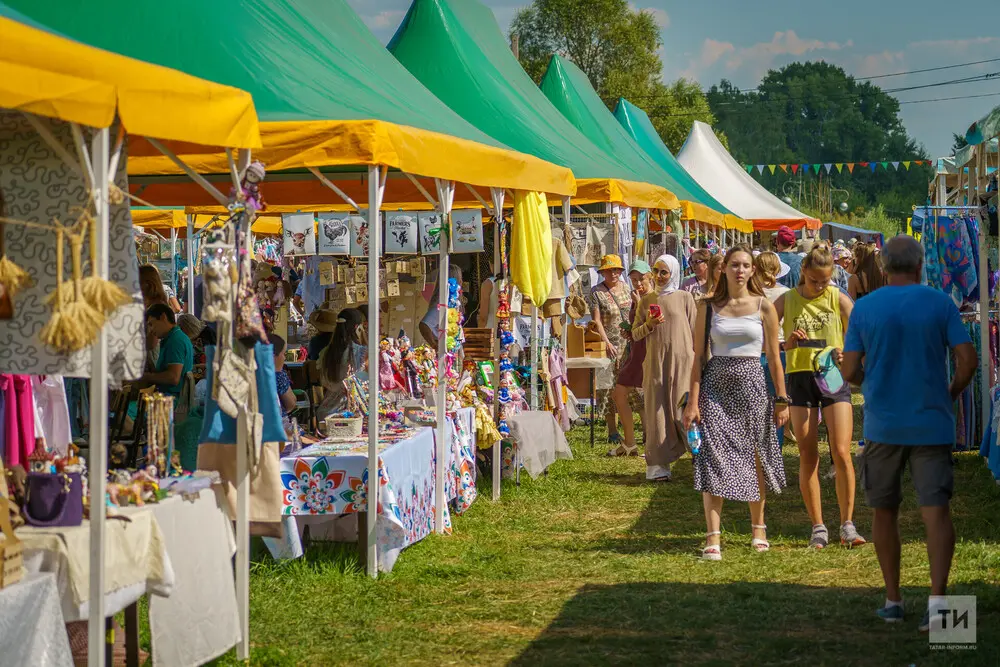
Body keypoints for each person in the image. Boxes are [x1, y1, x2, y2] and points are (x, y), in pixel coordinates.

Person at [840, 235, 976, 630]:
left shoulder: (864, 308)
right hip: (932, 422)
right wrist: (949, 393)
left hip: (884, 424)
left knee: (885, 511)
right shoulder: (938, 303)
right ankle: (940, 607)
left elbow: (848, 371)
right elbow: (967, 360)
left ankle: (893, 600)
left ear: (883, 268)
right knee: (936, 511)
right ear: (920, 267)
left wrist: (873, 383)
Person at [683, 245, 789, 560]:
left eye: (745, 265)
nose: (740, 270)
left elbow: (773, 358)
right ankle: (712, 537)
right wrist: (692, 401)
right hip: (715, 385)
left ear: (753, 270)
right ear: (724, 268)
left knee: (755, 455)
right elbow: (698, 356)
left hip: (753, 384)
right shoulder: (708, 306)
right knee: (712, 456)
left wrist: (781, 398)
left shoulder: (764, 306)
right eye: (734, 265)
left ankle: (759, 529)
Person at [775, 242, 864, 549]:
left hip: (832, 376)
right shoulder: (787, 300)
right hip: (800, 379)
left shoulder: (838, 297)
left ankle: (848, 525)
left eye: (825, 281)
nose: (819, 286)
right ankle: (818, 527)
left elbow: (860, 334)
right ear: (803, 272)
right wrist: (786, 343)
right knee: (808, 454)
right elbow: (763, 339)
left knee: (841, 452)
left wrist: (848, 355)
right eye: (814, 281)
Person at [631, 255, 696, 481]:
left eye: (664, 272)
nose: (659, 276)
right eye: (656, 271)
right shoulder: (646, 300)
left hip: (683, 364)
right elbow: (635, 332)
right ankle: (659, 466)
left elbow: (696, 331)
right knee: (657, 412)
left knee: (684, 410)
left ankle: (701, 458)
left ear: (674, 274)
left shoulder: (685, 298)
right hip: (656, 364)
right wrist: (649, 325)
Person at [607, 260, 651, 457]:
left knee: (648, 397)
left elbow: (652, 326)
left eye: (641, 279)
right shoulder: (637, 297)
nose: (638, 283)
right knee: (619, 394)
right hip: (635, 350)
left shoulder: (652, 298)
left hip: (646, 352)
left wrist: (639, 303)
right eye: (634, 280)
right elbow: (636, 324)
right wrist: (629, 332)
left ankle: (646, 444)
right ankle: (631, 442)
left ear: (649, 276)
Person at [590, 254, 633, 446]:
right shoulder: (596, 292)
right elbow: (596, 320)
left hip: (628, 344)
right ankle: (613, 430)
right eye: (610, 270)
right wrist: (605, 341)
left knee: (629, 386)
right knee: (607, 387)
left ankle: (629, 427)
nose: (614, 273)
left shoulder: (627, 289)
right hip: (608, 344)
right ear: (603, 272)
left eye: (616, 269)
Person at [754, 252, 790, 446]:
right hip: (780, 351)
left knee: (755, 407)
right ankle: (774, 449)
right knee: (779, 403)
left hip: (755, 353)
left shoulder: (750, 294)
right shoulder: (786, 293)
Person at [317, 309, 365, 421]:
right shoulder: (360, 353)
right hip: (350, 414)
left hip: (326, 411)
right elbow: (362, 383)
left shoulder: (325, 352)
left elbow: (324, 382)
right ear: (357, 328)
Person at [141, 304, 193, 397]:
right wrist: (153, 370)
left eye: (151, 324)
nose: (150, 330)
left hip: (171, 401)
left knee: (126, 409)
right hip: (168, 397)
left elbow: (173, 377)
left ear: (163, 317)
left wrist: (146, 377)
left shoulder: (176, 341)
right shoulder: (173, 338)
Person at [419, 264, 463, 348]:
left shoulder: (453, 302)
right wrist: (434, 345)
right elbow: (424, 325)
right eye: (460, 278)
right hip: (446, 349)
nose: (461, 281)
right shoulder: (442, 304)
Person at [269, 332, 297, 416]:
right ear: (273, 356)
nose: (284, 358)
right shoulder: (278, 376)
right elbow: (291, 403)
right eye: (283, 354)